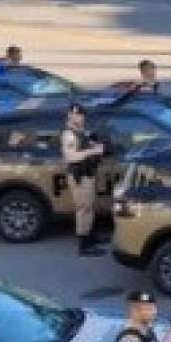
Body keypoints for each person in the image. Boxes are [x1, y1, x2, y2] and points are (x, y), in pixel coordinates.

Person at [61, 104, 107, 256]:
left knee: (90, 207)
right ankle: (84, 245)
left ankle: (90, 236)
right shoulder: (69, 135)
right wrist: (93, 150)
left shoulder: (80, 132)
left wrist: (94, 144)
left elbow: (84, 147)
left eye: (81, 115)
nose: (79, 117)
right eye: (76, 114)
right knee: (83, 209)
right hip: (79, 176)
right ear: (69, 116)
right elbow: (71, 157)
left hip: (87, 174)